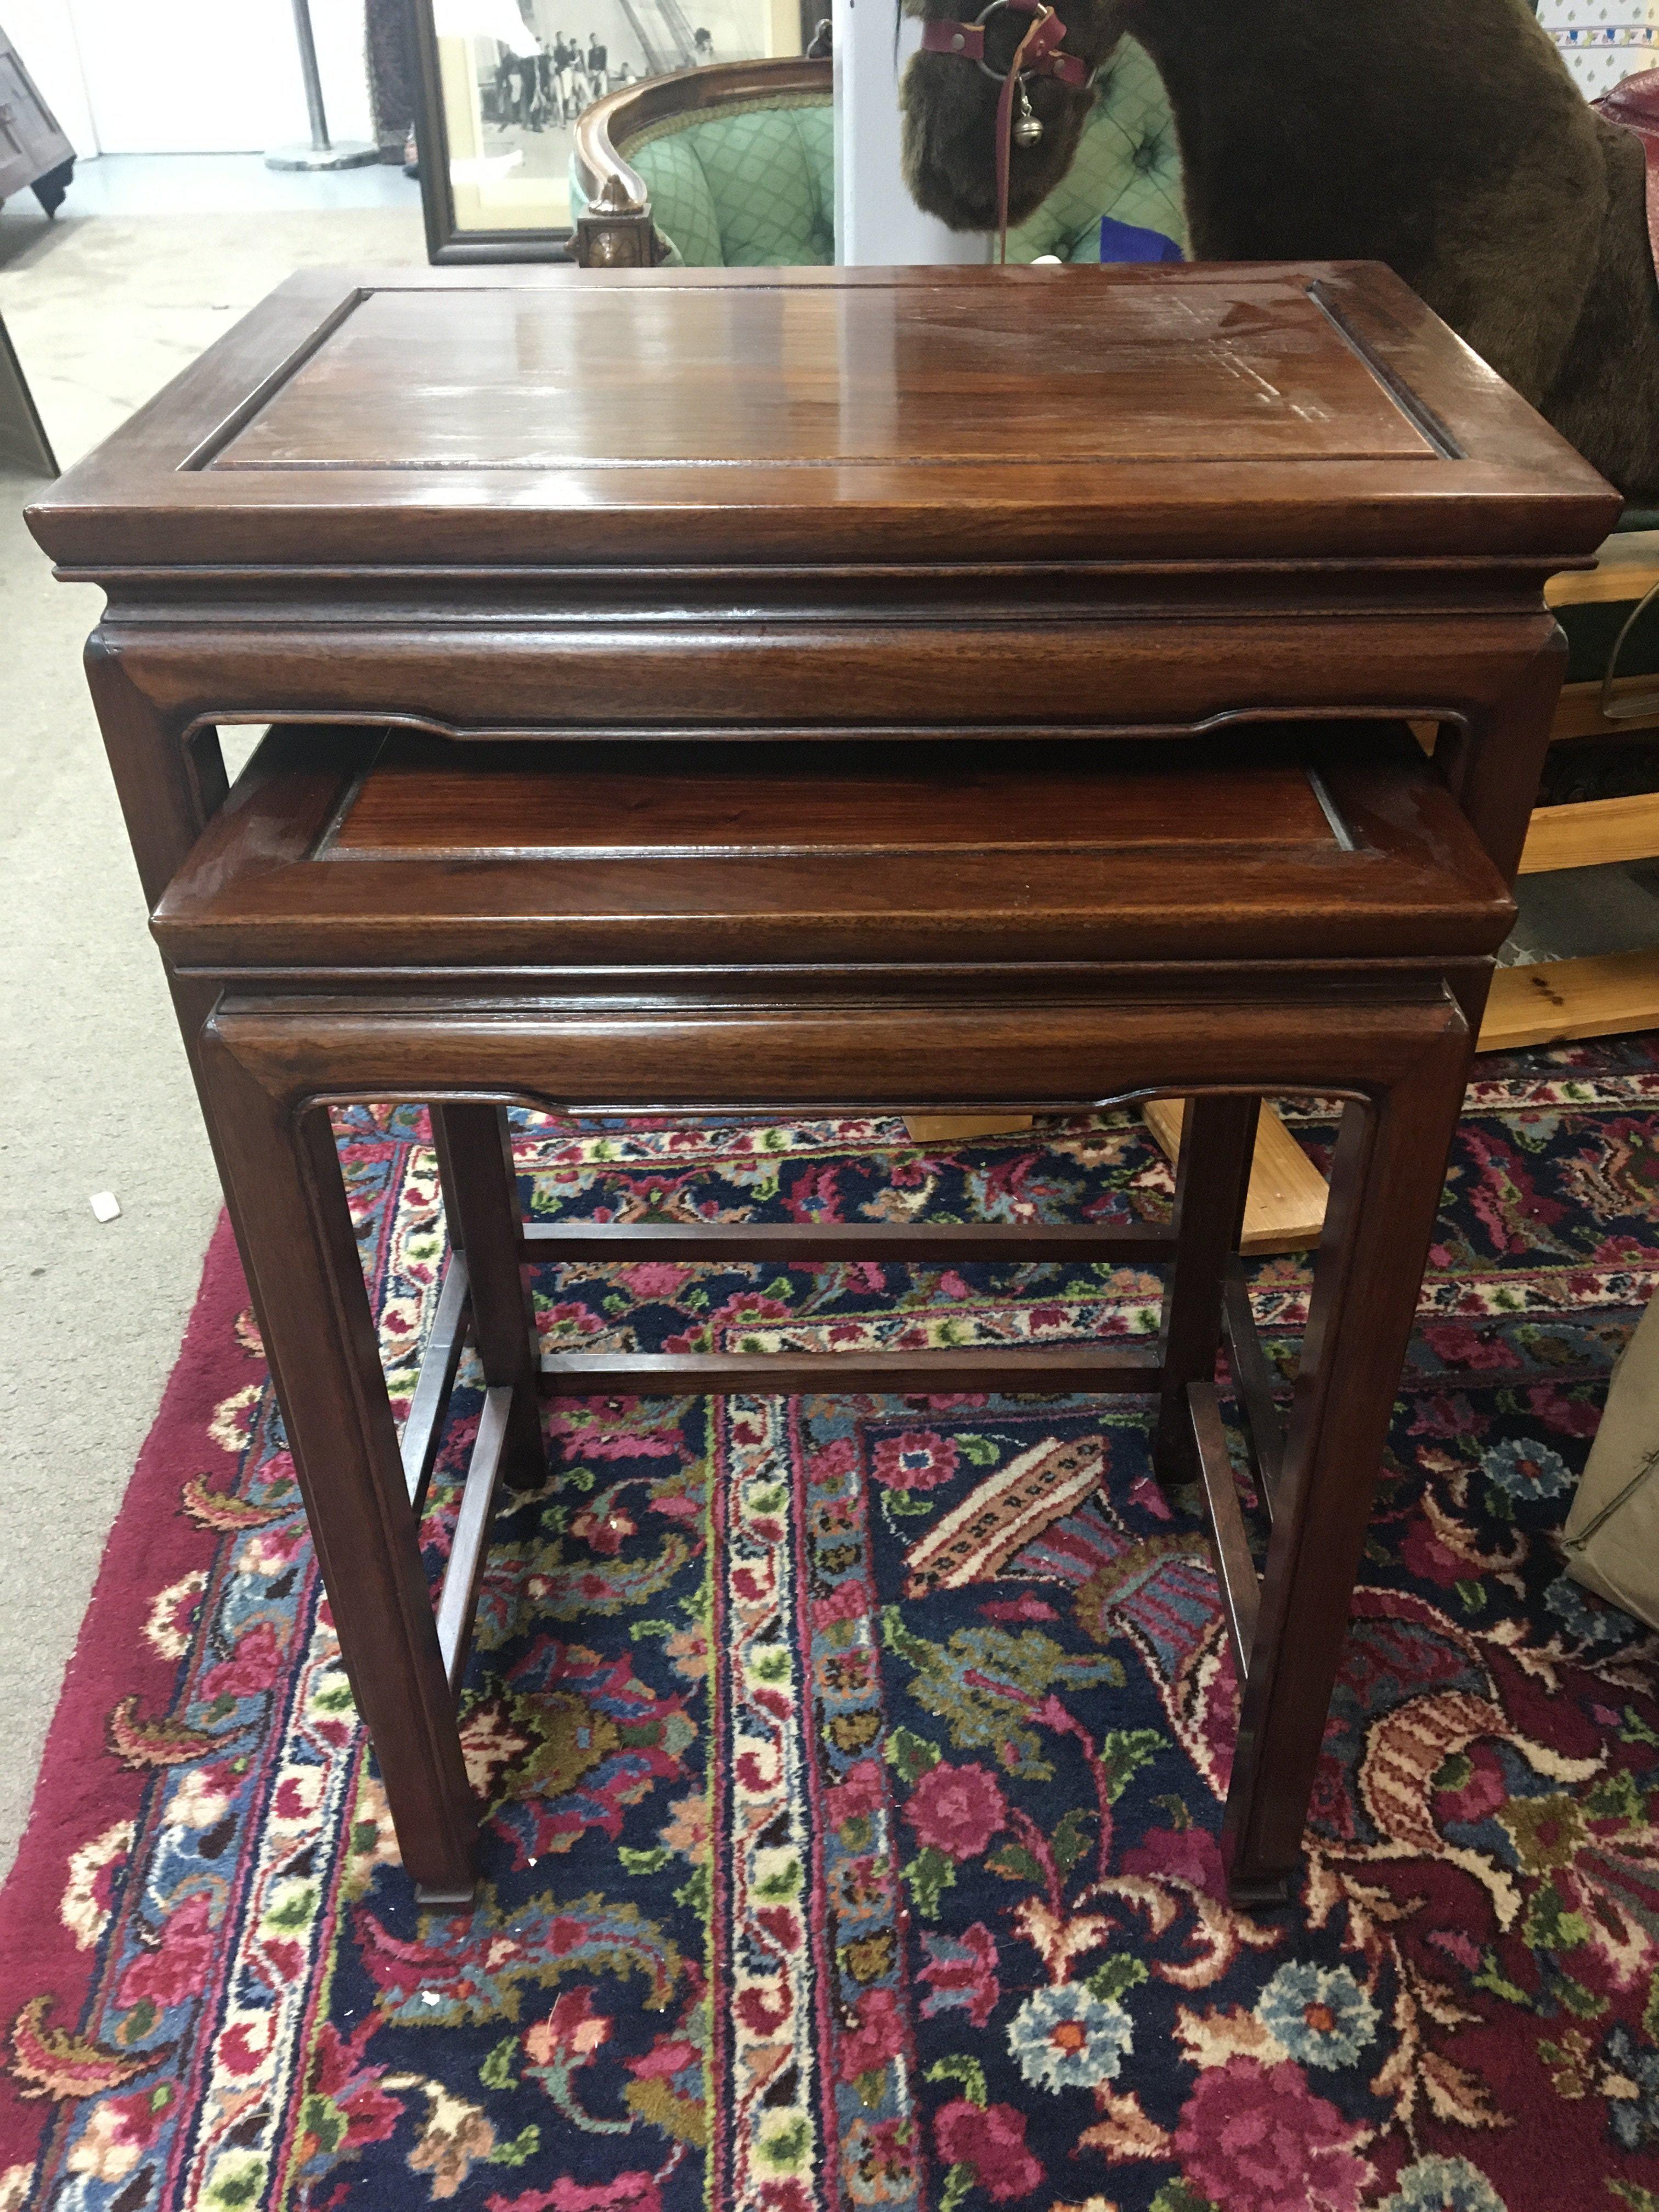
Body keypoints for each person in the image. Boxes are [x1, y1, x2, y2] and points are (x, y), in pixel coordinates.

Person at [586, 33, 609, 97]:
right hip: (594, 72)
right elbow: (590, 63)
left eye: (595, 39)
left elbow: (604, 60)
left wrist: (602, 70)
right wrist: (591, 71)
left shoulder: (603, 49)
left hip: (601, 71)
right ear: (591, 41)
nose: (594, 41)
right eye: (593, 40)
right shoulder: (591, 52)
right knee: (592, 89)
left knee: (603, 89)